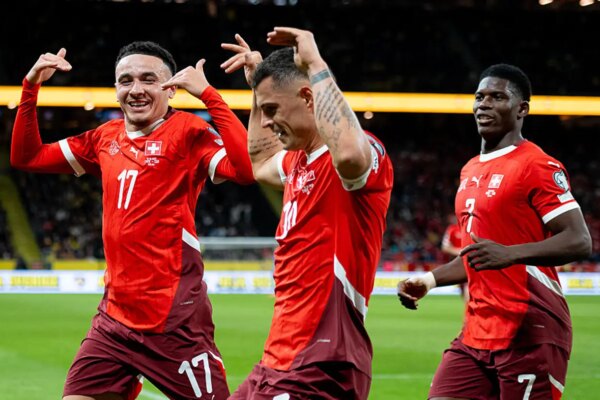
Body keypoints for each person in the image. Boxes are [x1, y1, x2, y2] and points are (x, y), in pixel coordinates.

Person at [11, 41, 255, 400]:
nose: (136, 89)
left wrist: (209, 96)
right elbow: (27, 157)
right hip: (113, 324)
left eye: (148, 79)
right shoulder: (103, 137)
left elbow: (246, 170)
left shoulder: (189, 132)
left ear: (170, 89)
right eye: (126, 81)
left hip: (174, 324)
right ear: (115, 90)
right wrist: (31, 86)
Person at [397, 64, 592, 400]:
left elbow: (579, 239)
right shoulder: (469, 170)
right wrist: (428, 281)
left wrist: (510, 253)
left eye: (497, 97)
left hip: (529, 328)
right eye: (479, 97)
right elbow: (478, 256)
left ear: (521, 109)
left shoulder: (537, 165)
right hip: (477, 330)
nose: (484, 104)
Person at [220, 27, 393, 399]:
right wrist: (257, 91)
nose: (266, 121)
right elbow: (260, 163)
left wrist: (314, 63)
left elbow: (350, 154)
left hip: (322, 361)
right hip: (279, 358)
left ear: (307, 97)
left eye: (272, 110)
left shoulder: (359, 152)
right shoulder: (297, 163)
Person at [440, 213, 468, 302]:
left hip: (469, 263)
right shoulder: (452, 229)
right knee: (463, 290)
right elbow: (445, 247)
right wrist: (459, 251)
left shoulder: (470, 228)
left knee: (468, 287)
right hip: (457, 263)